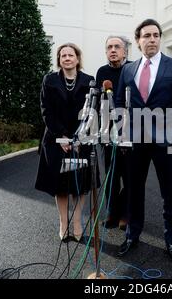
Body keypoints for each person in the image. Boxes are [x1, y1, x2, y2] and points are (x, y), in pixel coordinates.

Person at [115, 19, 172, 263]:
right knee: (134, 190)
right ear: (138, 41)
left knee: (170, 192)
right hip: (135, 142)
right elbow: (119, 102)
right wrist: (122, 131)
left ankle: (171, 240)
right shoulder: (128, 70)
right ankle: (132, 234)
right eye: (146, 36)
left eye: (156, 35)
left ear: (160, 39)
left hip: (166, 141)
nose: (152, 39)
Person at [35, 43, 95, 243]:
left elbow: (91, 113)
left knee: (80, 185)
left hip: (82, 140)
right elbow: (46, 110)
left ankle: (77, 222)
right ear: (59, 59)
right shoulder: (49, 80)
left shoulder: (89, 81)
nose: (67, 58)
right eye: (63, 55)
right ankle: (63, 223)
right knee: (60, 185)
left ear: (77, 59)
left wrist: (79, 137)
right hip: (55, 140)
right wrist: (61, 136)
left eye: (70, 55)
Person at [96, 36, 131, 231]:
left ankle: (126, 213)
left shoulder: (132, 69)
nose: (113, 50)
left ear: (125, 51)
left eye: (117, 47)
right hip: (107, 132)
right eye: (109, 47)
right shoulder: (102, 72)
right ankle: (112, 212)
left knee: (128, 176)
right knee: (111, 175)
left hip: (129, 131)